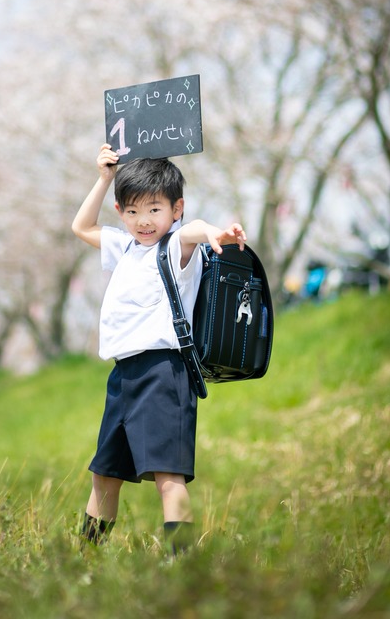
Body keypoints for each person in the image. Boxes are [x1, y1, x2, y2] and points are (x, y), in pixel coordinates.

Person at [71, 143, 247, 556]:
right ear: (121, 212)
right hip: (124, 375)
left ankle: (181, 563)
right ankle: (85, 558)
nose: (143, 221)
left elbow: (196, 230)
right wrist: (104, 179)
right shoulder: (126, 247)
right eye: (132, 211)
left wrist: (216, 234)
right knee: (105, 475)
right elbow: (81, 227)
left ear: (175, 208)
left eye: (154, 209)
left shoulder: (175, 247)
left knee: (169, 476)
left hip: (164, 372)